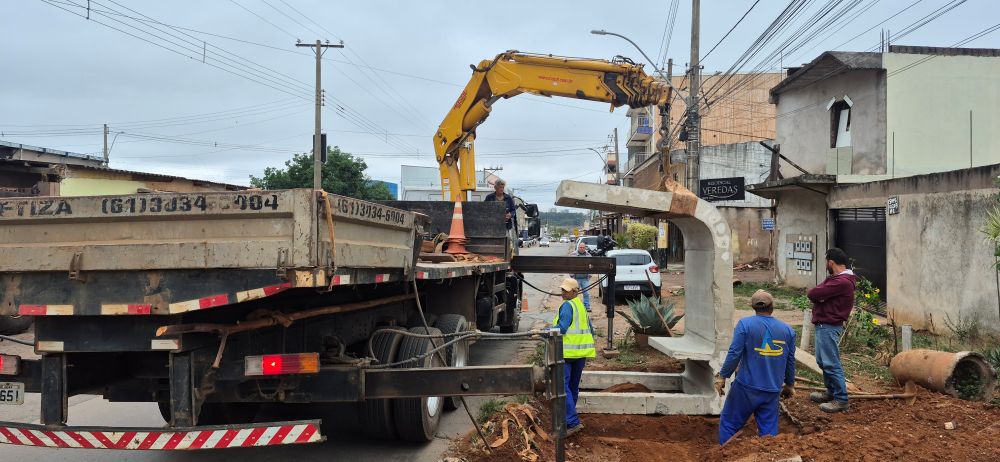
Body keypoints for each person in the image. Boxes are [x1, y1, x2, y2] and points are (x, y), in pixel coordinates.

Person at [716, 289, 796, 445]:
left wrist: (723, 376)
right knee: (768, 434)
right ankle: (768, 454)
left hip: (746, 388)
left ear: (753, 307)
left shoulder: (745, 324)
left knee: (730, 423)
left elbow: (734, 353)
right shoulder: (788, 330)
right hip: (772, 390)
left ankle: (725, 452)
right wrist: (789, 384)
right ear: (772, 306)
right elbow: (790, 360)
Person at [807, 248, 856, 413]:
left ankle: (841, 400)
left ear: (831, 262)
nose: (826, 265)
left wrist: (821, 298)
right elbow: (818, 294)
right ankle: (831, 392)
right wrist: (821, 297)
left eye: (826, 262)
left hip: (829, 326)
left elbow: (813, 293)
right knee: (822, 362)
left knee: (831, 363)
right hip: (825, 325)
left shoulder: (842, 282)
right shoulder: (837, 280)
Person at [553, 278, 596, 437]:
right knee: (572, 387)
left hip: (567, 353)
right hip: (581, 354)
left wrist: (545, 331)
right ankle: (569, 418)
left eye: (566, 290)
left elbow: (562, 328)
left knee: (563, 387)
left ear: (575, 291)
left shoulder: (567, 306)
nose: (563, 293)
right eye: (562, 289)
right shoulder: (581, 306)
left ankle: (572, 421)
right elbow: (591, 330)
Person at [569, 242, 591, 311]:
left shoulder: (588, 255)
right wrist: (571, 275)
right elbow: (569, 265)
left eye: (583, 247)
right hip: (576, 278)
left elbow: (592, 266)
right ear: (578, 247)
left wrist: (590, 275)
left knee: (586, 293)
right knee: (574, 294)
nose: (582, 249)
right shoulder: (572, 255)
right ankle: (574, 307)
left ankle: (587, 307)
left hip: (585, 278)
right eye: (580, 247)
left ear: (585, 248)